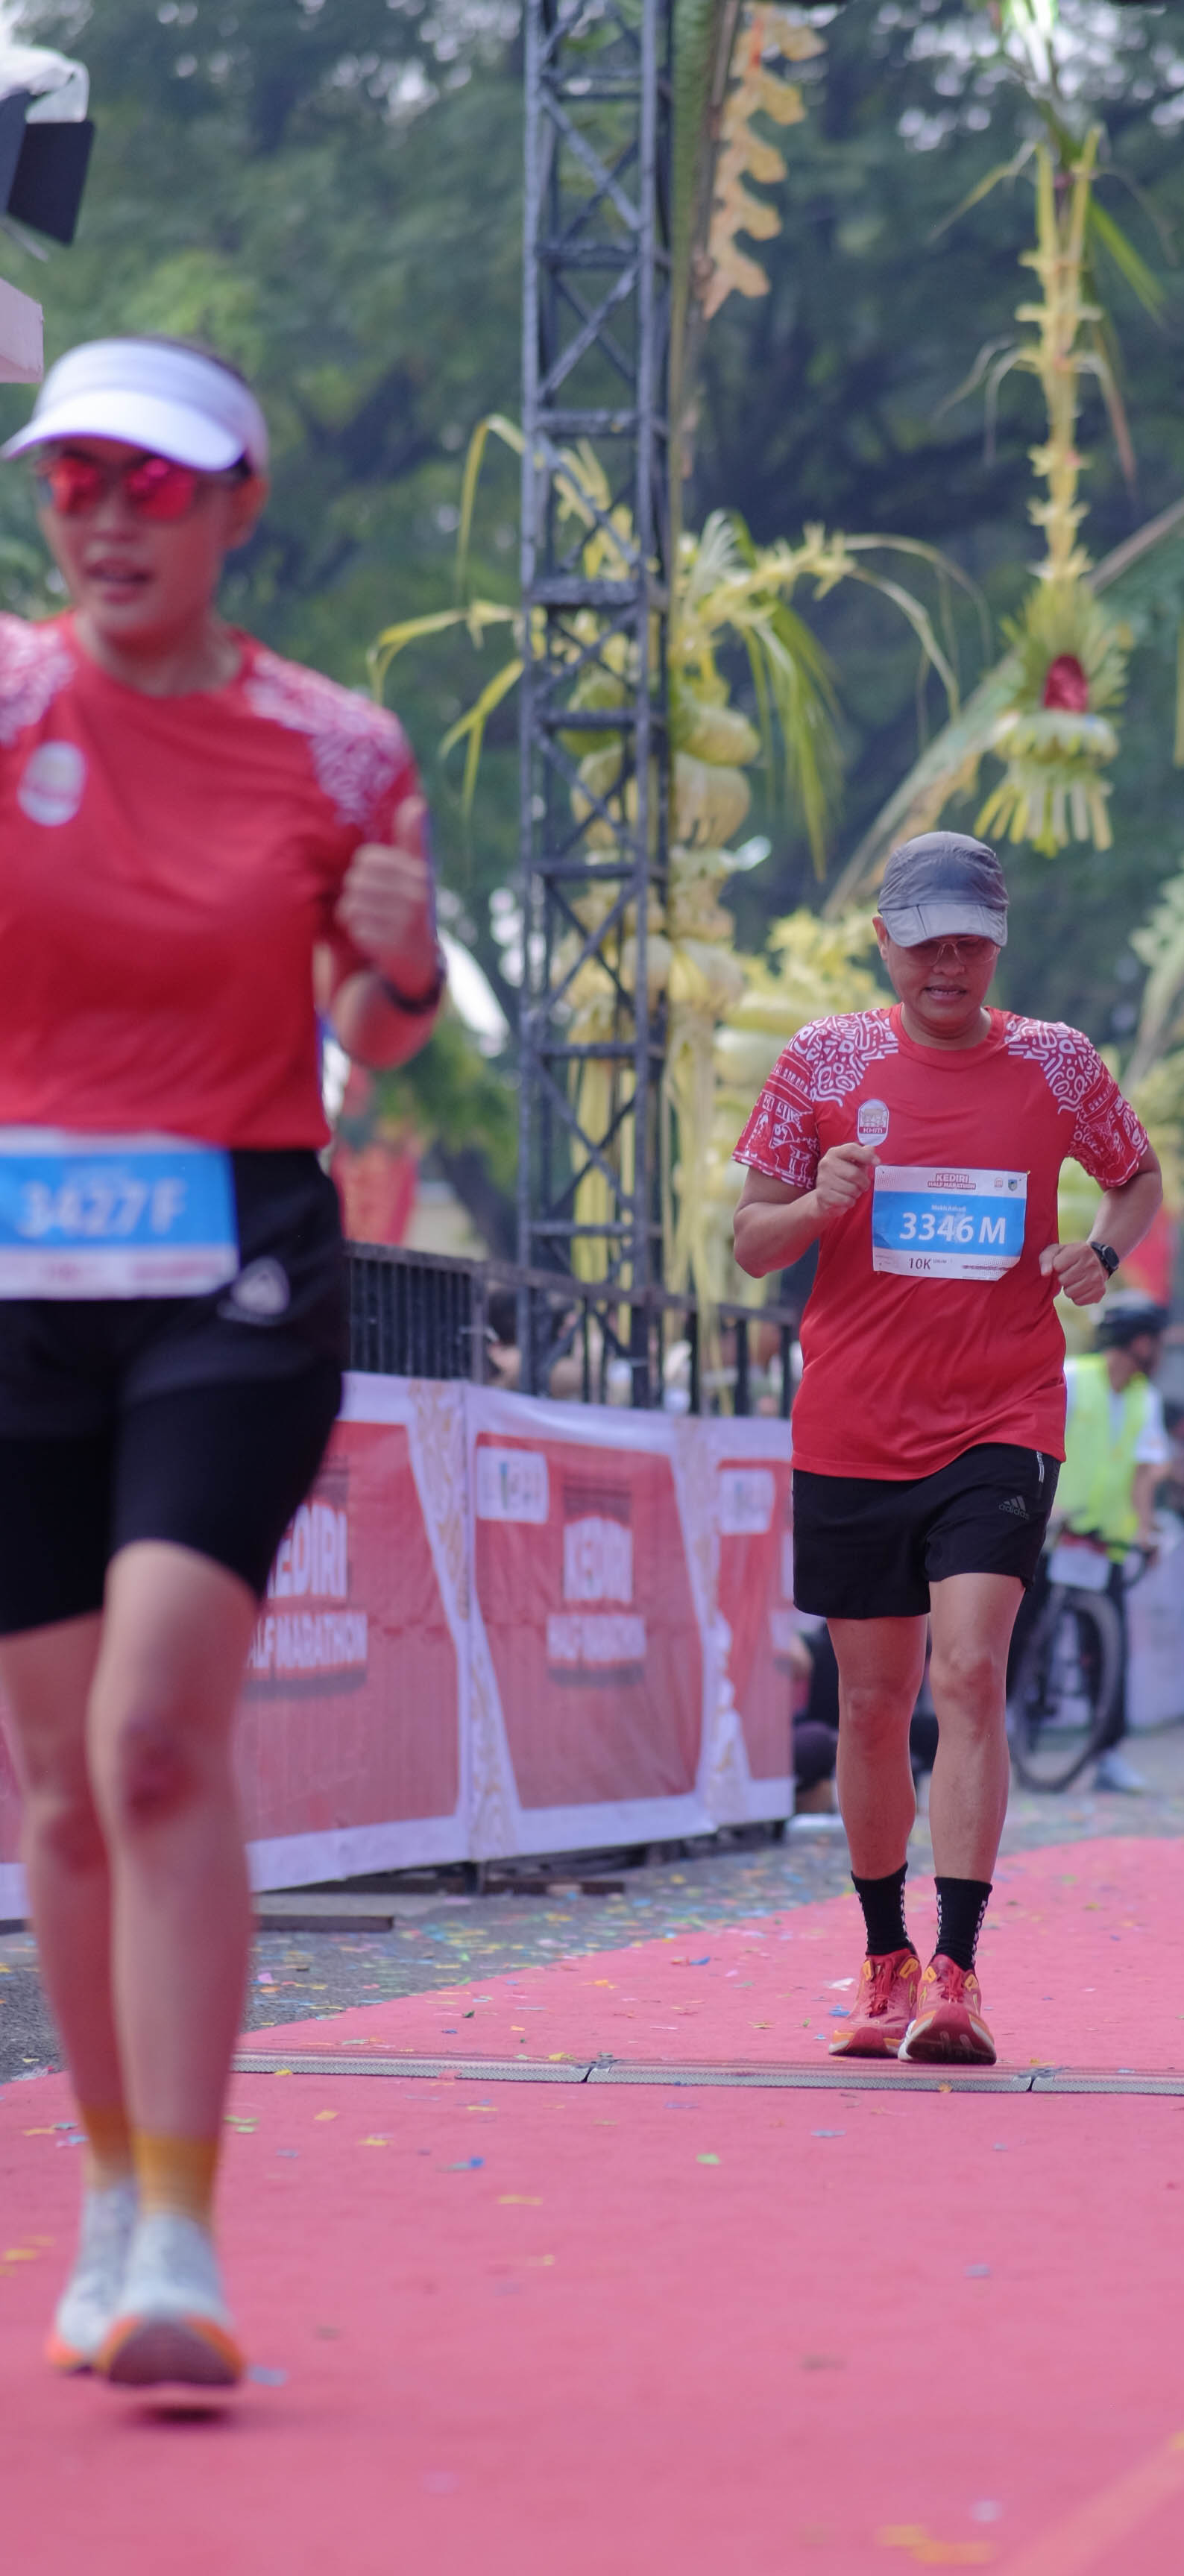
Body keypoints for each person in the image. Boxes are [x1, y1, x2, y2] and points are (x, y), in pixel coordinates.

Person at [0, 338, 441, 2387]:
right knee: (60, 1782)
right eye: (74, 481)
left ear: (239, 505)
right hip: (19, 1266)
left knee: (160, 1734)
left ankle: (181, 2226)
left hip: (234, 1265)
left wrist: (404, 954)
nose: (108, 519)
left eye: (154, 487)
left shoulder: (338, 751)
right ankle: (107, 2187)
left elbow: (386, 1026)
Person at [731, 832, 1161, 2063]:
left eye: (969, 943)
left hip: (1000, 1417)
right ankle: (886, 1960)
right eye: (924, 943)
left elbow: (1135, 1179)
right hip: (855, 1424)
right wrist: (816, 1206)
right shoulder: (822, 1061)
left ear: (998, 944)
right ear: (884, 942)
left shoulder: (1056, 1064)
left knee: (969, 1674)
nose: (946, 965)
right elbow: (749, 1243)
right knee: (872, 1703)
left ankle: (958, 1974)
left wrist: (1101, 1250)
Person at [1013, 1292, 1170, 1794]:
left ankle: (1107, 1753)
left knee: (1108, 1647)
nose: (1160, 1351)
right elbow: (1035, 1439)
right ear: (1139, 1342)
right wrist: (1041, 1503)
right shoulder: (1075, 1378)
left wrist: (1146, 1530)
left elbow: (1146, 1472)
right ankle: (1003, 1722)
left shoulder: (1146, 1399)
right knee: (1018, 1631)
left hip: (1104, 1542)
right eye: (1157, 1341)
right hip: (1053, 1532)